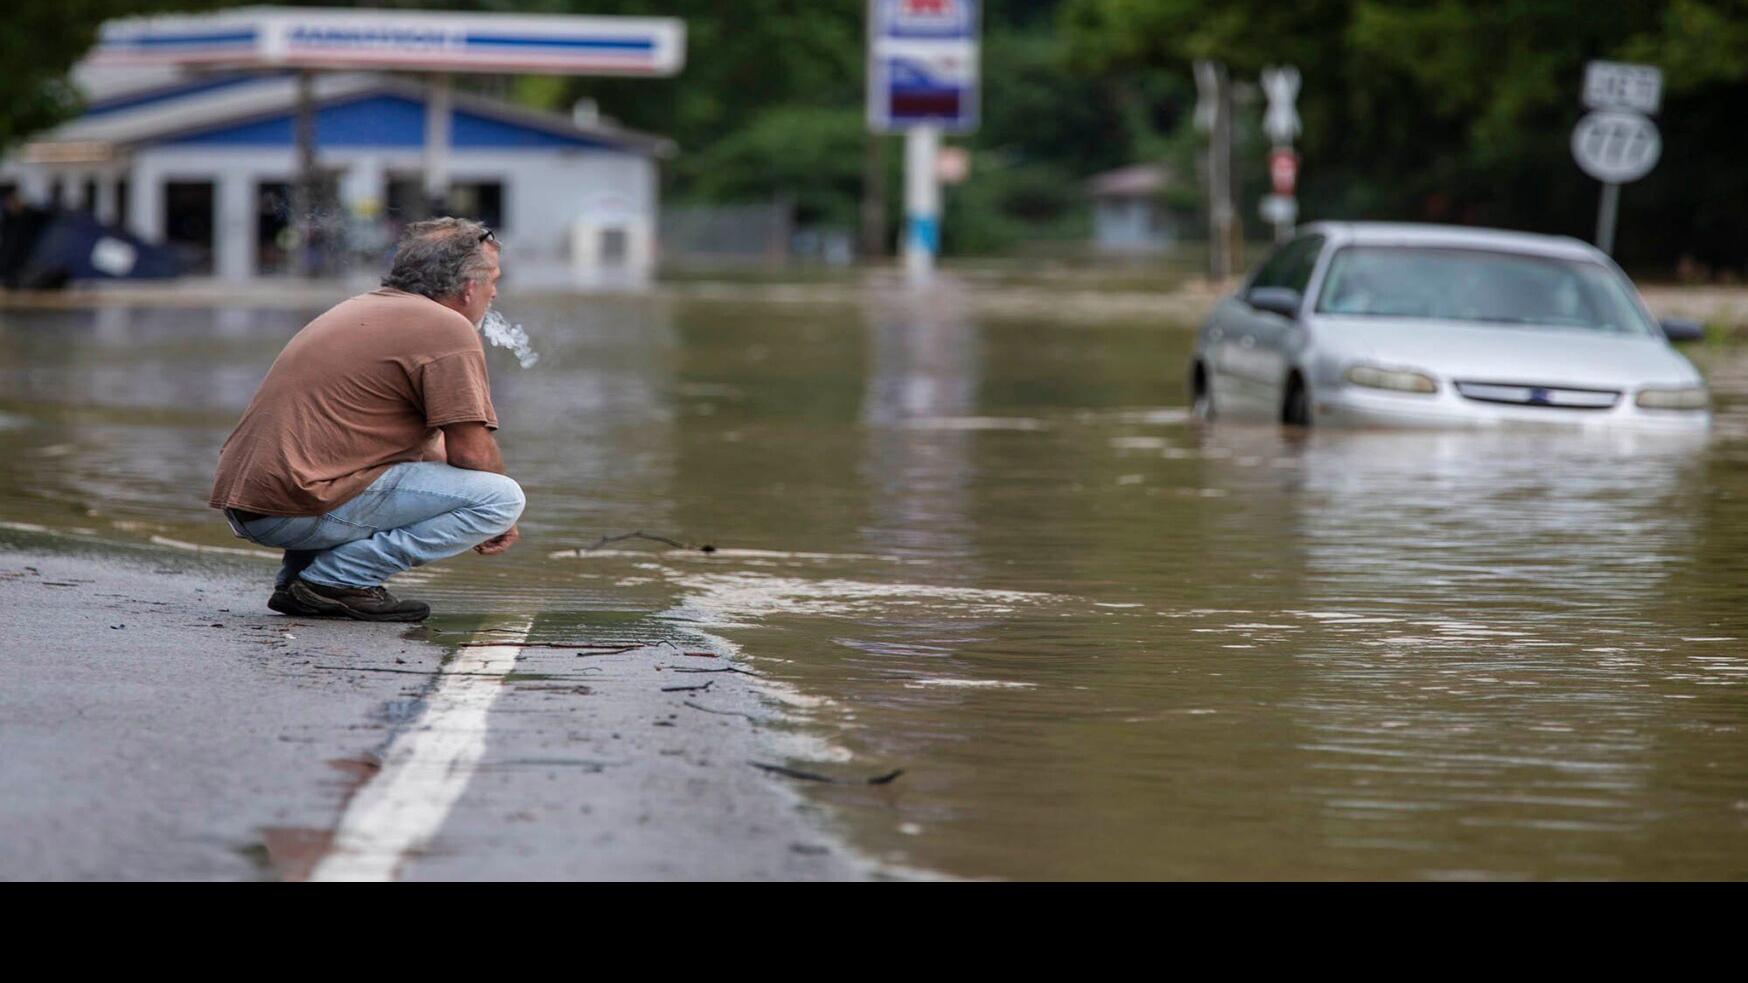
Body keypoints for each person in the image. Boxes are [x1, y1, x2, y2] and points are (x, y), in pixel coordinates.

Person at [209, 217, 524, 622]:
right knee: (501, 498)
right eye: (493, 280)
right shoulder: (446, 328)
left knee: (406, 465)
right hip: (292, 506)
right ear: (468, 288)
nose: (495, 292)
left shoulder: (364, 307)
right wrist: (502, 520)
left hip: (255, 503)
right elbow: (472, 453)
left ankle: (301, 580)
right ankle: (337, 581)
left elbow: (433, 450)